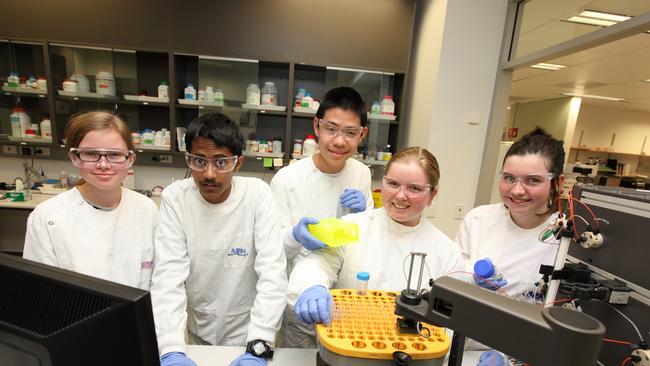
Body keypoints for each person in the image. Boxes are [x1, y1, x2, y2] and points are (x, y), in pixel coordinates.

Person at [286, 147, 466, 345]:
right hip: (349, 347)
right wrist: (313, 286)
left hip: (411, 354)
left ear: (432, 194)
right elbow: (317, 264)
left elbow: (454, 322)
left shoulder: (446, 251)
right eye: (393, 184)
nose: (400, 196)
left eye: (414, 188)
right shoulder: (353, 225)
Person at [150, 112, 287, 366]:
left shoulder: (257, 194)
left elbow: (272, 273)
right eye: (198, 161)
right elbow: (168, 277)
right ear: (188, 159)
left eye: (221, 162)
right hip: (196, 333)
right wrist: (170, 348)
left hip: (250, 333)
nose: (209, 174)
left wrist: (259, 345)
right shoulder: (176, 198)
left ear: (238, 162)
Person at [454, 128, 565, 360]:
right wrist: (469, 281)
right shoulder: (479, 220)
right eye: (508, 178)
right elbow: (453, 279)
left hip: (532, 353)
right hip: (469, 346)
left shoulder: (565, 237)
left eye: (532, 180)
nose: (516, 190)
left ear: (558, 183)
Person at [23, 111, 158, 290]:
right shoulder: (48, 217)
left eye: (114, 154)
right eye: (91, 154)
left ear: (130, 159)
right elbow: (39, 290)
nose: (103, 164)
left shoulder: (146, 209)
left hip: (137, 316)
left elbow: (159, 280)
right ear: (74, 157)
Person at [270, 86, 374, 269]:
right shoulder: (286, 179)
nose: (339, 141)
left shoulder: (362, 173)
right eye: (331, 129)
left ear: (362, 134)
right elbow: (271, 251)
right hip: (297, 289)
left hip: (343, 286)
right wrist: (294, 236)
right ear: (317, 126)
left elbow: (366, 241)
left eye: (350, 133)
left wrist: (364, 216)